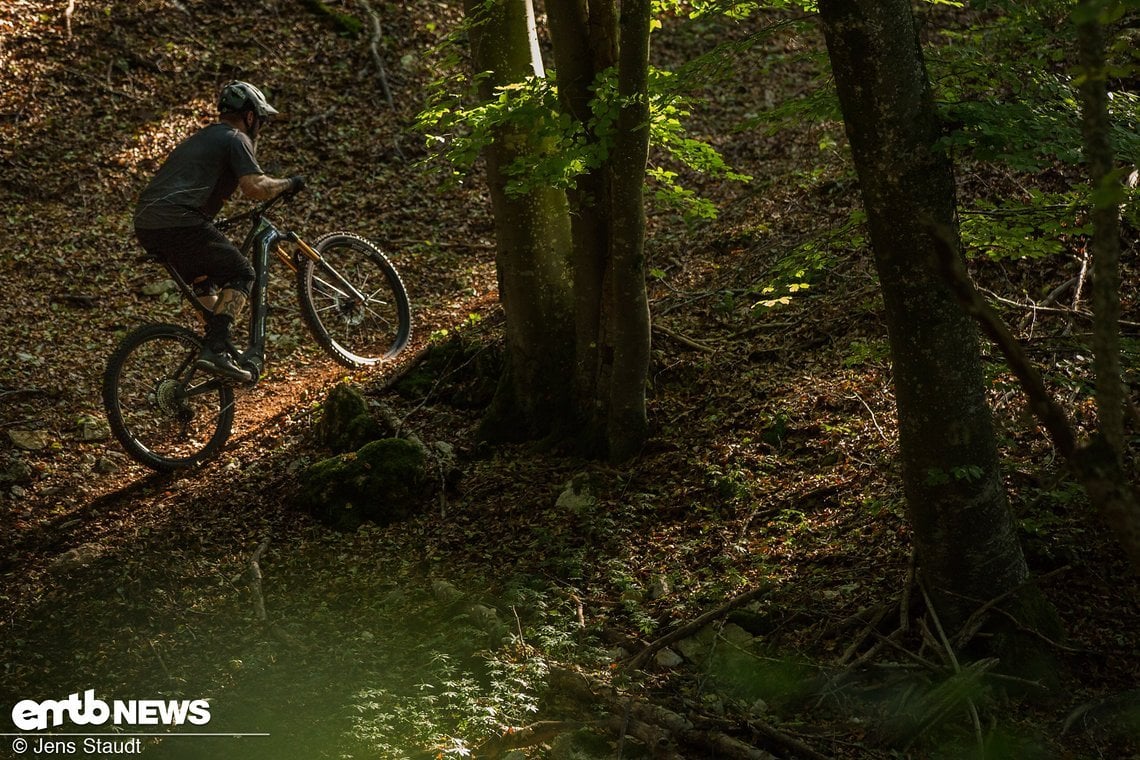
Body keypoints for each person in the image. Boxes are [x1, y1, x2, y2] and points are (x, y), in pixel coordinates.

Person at [133, 81, 304, 382]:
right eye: (261, 120)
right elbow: (255, 187)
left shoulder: (201, 138)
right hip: (180, 221)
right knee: (242, 274)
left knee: (206, 281)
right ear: (250, 117)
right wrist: (289, 183)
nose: (260, 128)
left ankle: (218, 348)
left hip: (149, 225)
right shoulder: (235, 138)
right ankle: (215, 349)